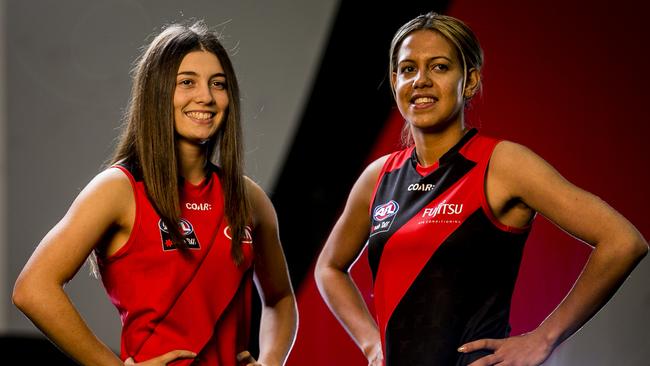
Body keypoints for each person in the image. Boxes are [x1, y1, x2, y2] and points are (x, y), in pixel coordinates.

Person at [314, 12, 647, 366]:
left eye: (439, 67)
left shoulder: (502, 165)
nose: (421, 80)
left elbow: (623, 242)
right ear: (395, 81)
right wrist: (371, 344)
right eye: (408, 69)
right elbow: (329, 267)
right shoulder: (378, 177)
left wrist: (544, 338)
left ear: (469, 81)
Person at [13, 21, 297, 366]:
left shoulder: (249, 199)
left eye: (218, 84)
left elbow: (280, 298)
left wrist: (271, 361)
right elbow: (33, 289)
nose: (206, 96)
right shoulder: (119, 188)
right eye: (187, 82)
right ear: (158, 91)